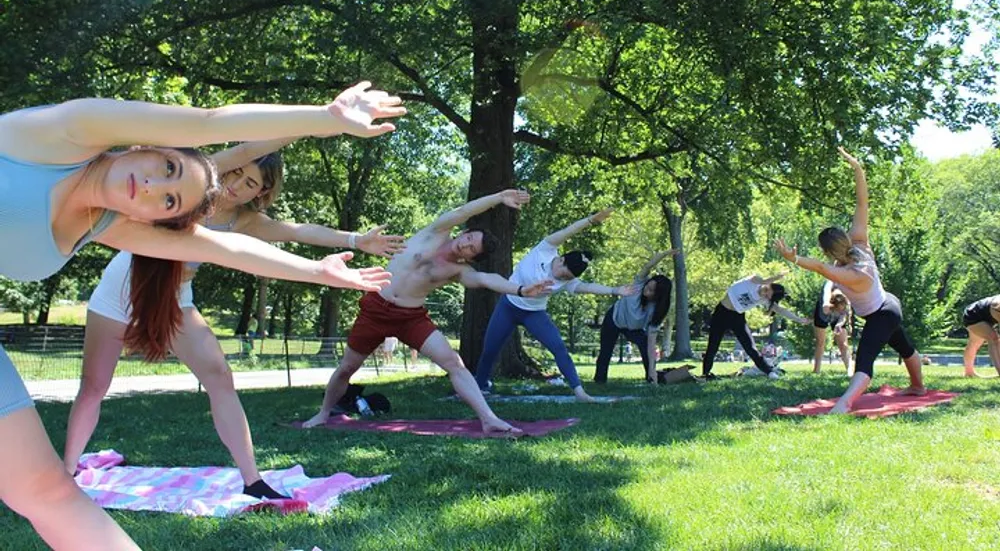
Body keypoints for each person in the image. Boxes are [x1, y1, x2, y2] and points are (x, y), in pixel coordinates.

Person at [0, 83, 402, 550]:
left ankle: (251, 478)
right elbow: (209, 121)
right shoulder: (65, 136)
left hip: (173, 300)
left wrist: (320, 268)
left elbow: (220, 246)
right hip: (118, 295)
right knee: (87, 402)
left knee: (48, 491)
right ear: (150, 147)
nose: (154, 188)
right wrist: (324, 116)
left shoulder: (111, 223)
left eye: (170, 201)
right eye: (167, 167)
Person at [62, 139, 405, 499]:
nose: (237, 185)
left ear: (262, 193)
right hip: (122, 287)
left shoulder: (245, 222)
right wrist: (311, 122)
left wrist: (355, 239)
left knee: (220, 376)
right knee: (94, 387)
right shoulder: (193, 184)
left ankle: (253, 481)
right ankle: (67, 472)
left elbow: (298, 231)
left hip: (177, 299)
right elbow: (241, 149)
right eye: (237, 173)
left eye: (251, 184)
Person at [302, 190, 553, 436]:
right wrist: (498, 198)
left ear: (471, 258)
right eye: (468, 238)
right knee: (347, 368)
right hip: (375, 309)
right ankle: (324, 413)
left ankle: (489, 419)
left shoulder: (458, 270)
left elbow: (488, 279)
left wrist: (520, 289)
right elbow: (464, 211)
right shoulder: (435, 232)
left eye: (471, 249)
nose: (465, 244)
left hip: (410, 318)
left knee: (454, 363)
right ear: (465, 232)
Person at [774, 148, 926, 413]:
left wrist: (793, 258)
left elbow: (821, 268)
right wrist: (857, 168)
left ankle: (844, 404)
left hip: (882, 312)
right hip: (888, 304)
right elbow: (862, 204)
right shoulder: (859, 242)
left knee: (865, 360)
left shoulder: (849, 273)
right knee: (903, 346)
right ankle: (918, 387)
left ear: (827, 250)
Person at [474, 208, 638, 403]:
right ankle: (480, 386)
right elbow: (568, 231)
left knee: (559, 347)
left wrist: (614, 290)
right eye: (563, 271)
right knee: (490, 349)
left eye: (568, 277)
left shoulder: (568, 281)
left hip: (534, 314)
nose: (562, 277)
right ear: (560, 259)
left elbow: (587, 287)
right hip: (509, 306)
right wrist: (591, 220)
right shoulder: (546, 248)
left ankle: (579, 392)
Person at [701, 272, 809, 380]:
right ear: (769, 284)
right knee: (713, 346)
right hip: (721, 314)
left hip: (737, 317)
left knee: (751, 348)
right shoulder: (754, 281)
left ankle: (770, 372)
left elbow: (781, 310)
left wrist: (798, 319)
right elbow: (763, 281)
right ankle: (705, 374)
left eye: (767, 296)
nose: (764, 294)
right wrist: (775, 277)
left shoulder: (763, 299)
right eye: (766, 290)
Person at [594, 250, 677, 384]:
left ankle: (651, 378)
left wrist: (652, 370)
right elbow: (647, 266)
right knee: (605, 351)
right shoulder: (639, 284)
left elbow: (651, 343)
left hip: (634, 328)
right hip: (614, 319)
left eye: (651, 291)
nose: (646, 291)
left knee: (646, 348)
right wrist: (663, 255)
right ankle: (599, 381)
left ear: (658, 296)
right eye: (648, 286)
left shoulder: (656, 311)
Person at [811, 281, 853, 374]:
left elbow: (844, 315)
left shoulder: (846, 299)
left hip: (836, 312)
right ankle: (816, 370)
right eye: (838, 309)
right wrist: (826, 304)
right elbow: (826, 291)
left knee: (843, 344)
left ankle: (850, 370)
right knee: (820, 342)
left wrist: (839, 324)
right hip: (823, 313)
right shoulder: (829, 285)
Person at [961, 295, 1000, 377]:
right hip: (972, 315)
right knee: (993, 338)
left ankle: (969, 373)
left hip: (986, 316)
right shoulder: (997, 305)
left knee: (974, 343)